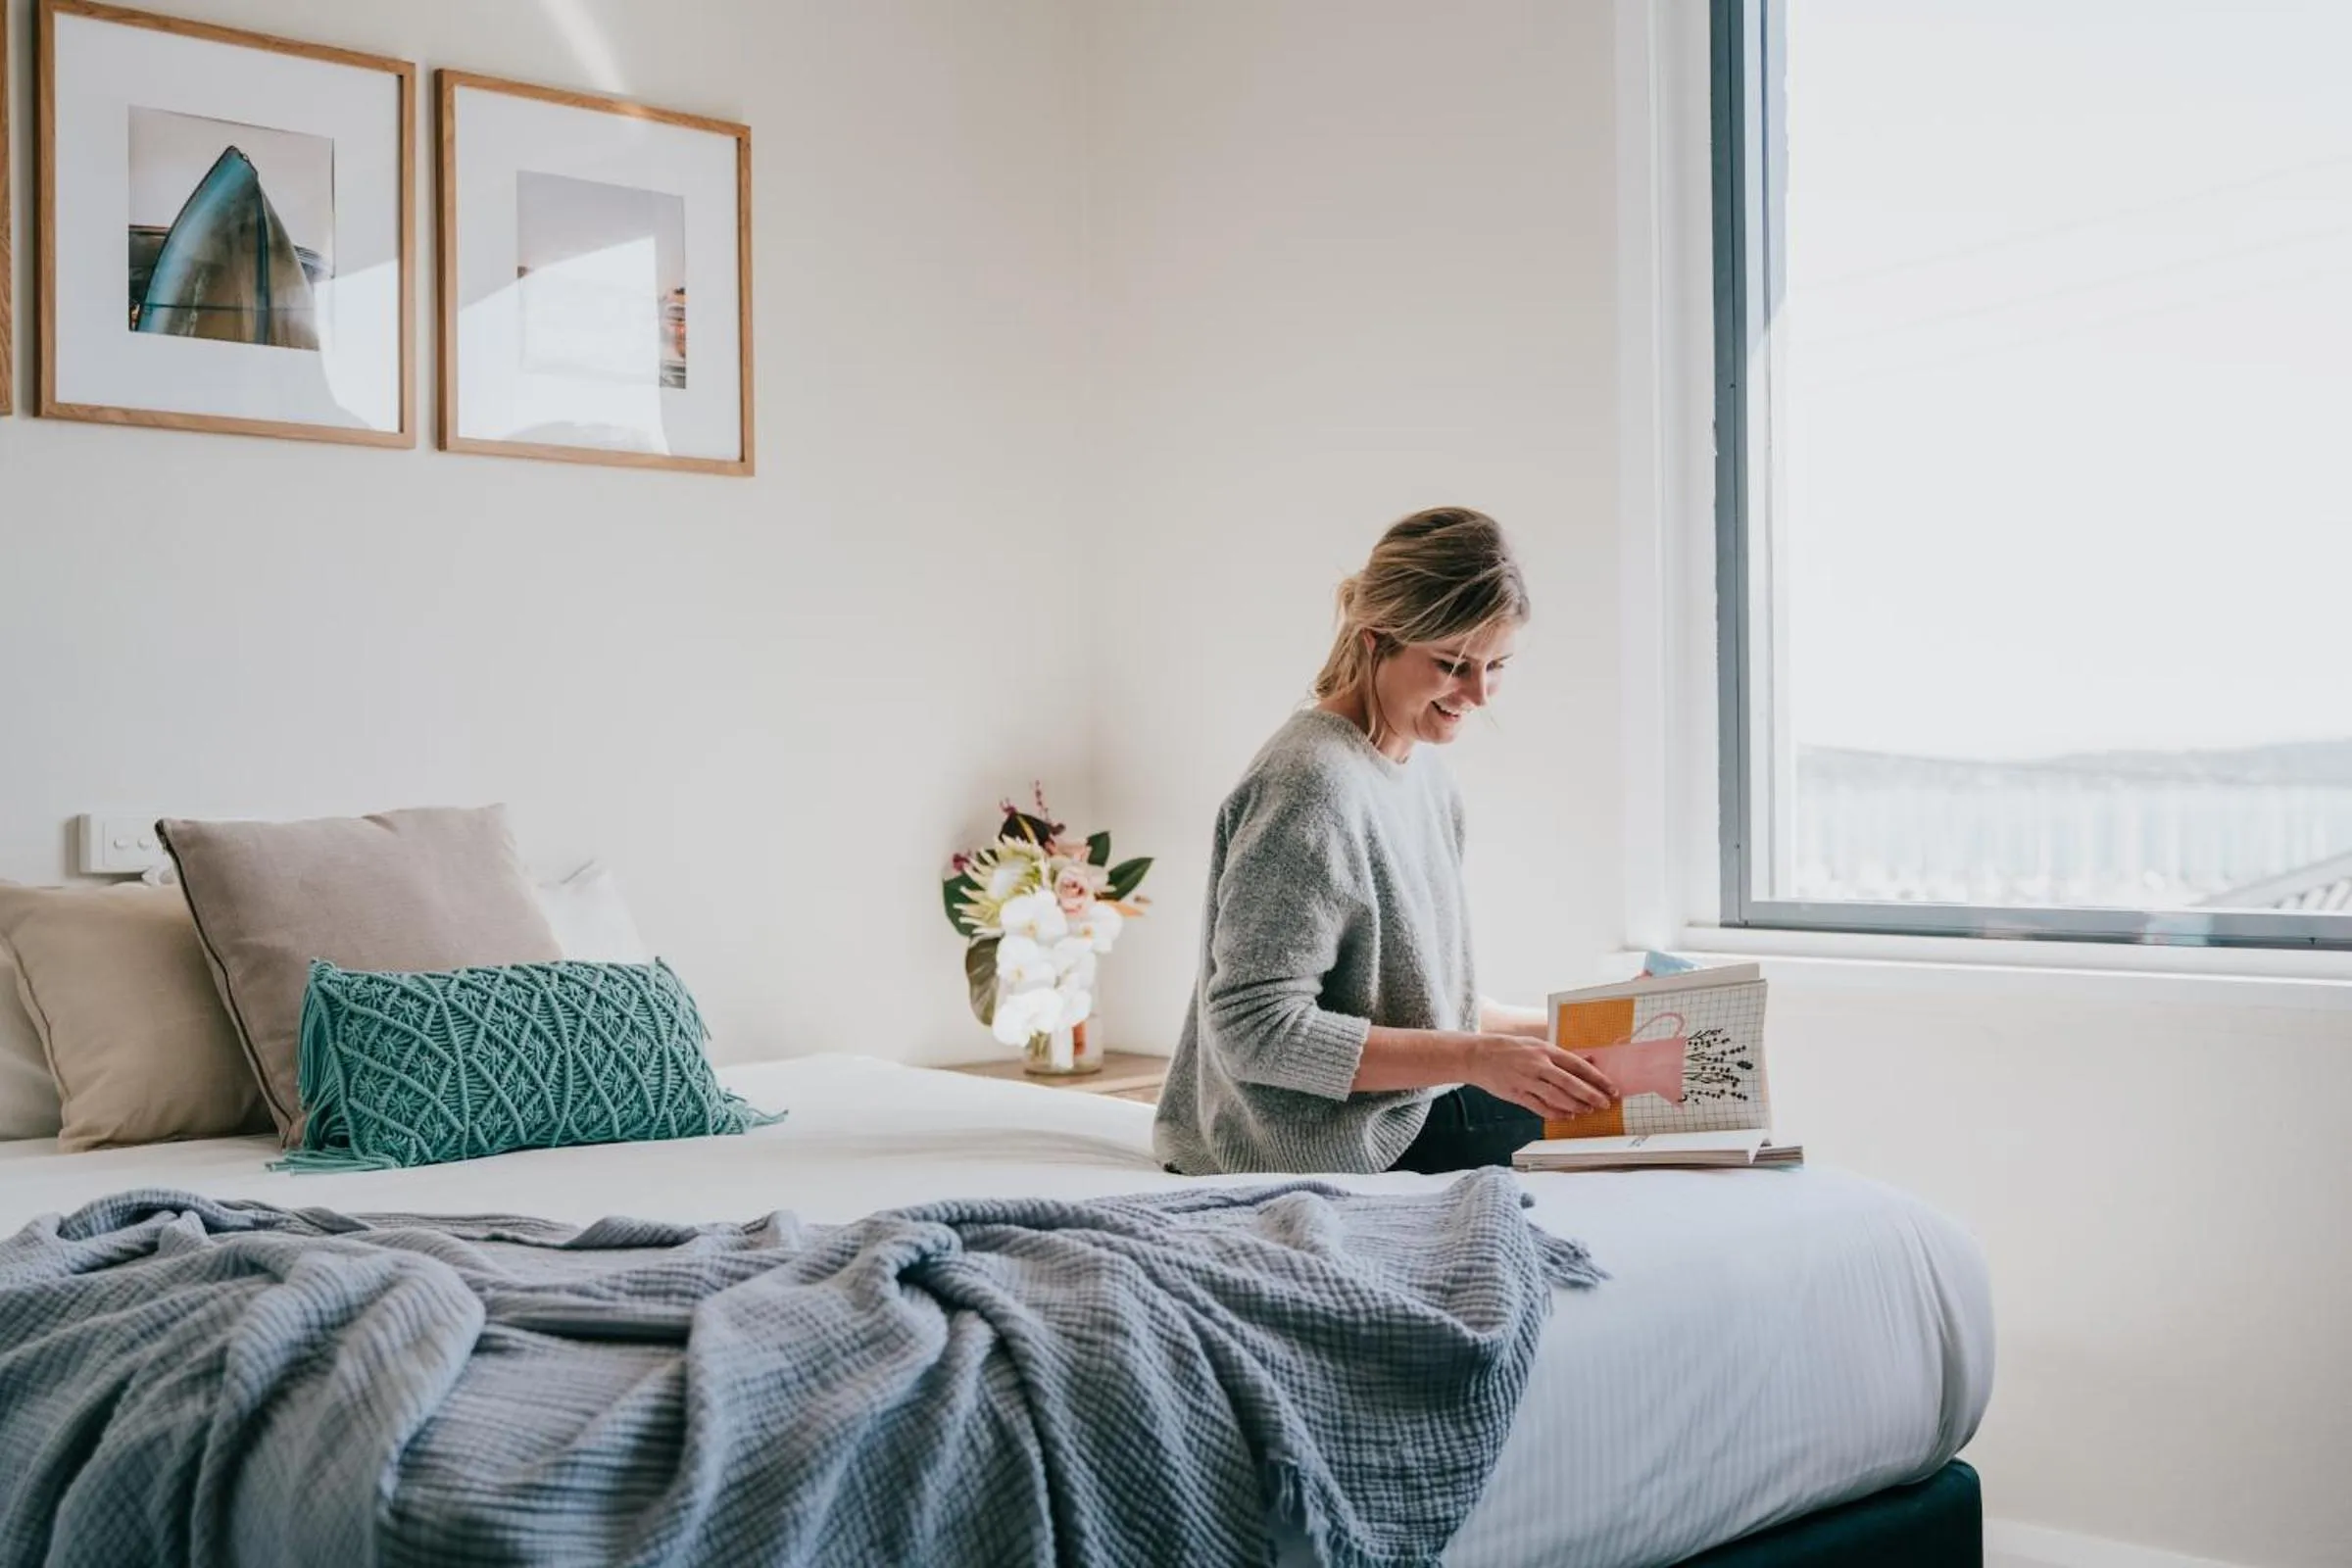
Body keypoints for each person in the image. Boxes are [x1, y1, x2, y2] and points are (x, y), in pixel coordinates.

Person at [1152, 507, 1619, 1176]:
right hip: (1318, 1135)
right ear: (1376, 640)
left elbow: (1429, 1008)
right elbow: (1254, 1031)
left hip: (1403, 1107)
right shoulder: (1308, 784)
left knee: (1628, 1068)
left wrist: (1579, 1025)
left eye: (1497, 666)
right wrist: (1472, 1058)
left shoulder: (1424, 775)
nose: (1479, 695)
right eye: (1454, 664)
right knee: (1627, 1101)